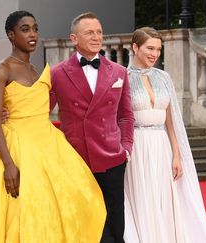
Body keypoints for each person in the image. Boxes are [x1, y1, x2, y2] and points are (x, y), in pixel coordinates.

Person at [0, 10, 106, 242]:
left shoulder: (38, 70)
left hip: (48, 144)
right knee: (15, 210)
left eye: (35, 29)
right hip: (16, 145)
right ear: (11, 35)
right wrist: (8, 163)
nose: (32, 34)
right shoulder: (0, 70)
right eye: (25, 30)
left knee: (60, 203)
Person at [123, 27, 206, 243]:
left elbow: (171, 122)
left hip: (162, 145)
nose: (154, 54)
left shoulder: (163, 77)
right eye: (149, 48)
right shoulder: (122, 77)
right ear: (135, 47)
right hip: (137, 147)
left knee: (165, 197)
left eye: (158, 49)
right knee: (144, 198)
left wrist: (176, 155)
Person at [49, 12, 135, 243]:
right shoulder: (57, 73)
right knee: (83, 216)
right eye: (89, 32)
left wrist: (126, 147)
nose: (96, 37)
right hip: (76, 158)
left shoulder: (119, 71)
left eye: (99, 32)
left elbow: (126, 115)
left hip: (112, 156)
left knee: (115, 216)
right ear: (74, 38)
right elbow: (40, 110)